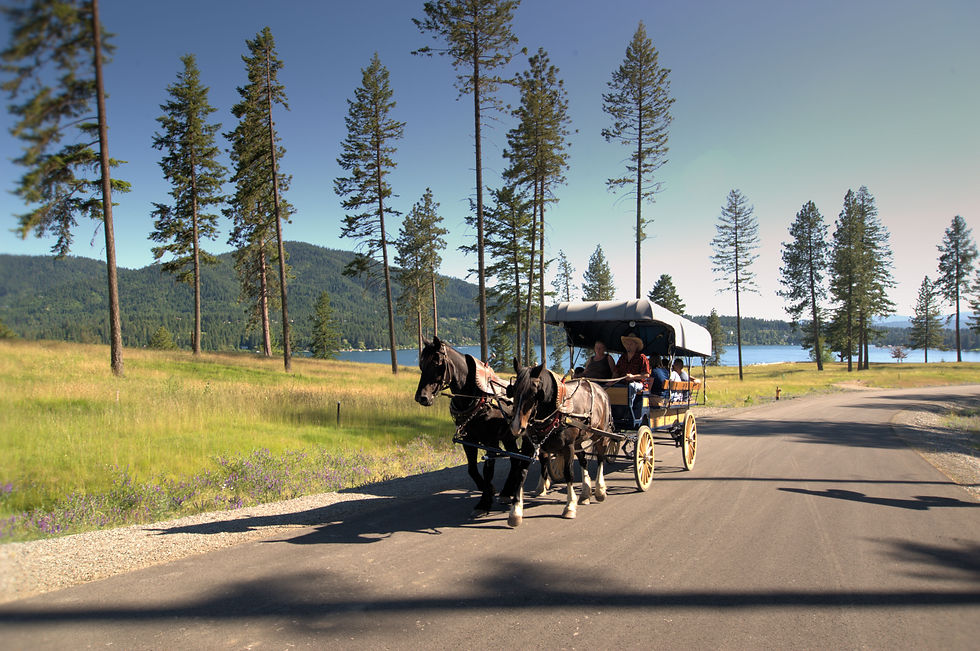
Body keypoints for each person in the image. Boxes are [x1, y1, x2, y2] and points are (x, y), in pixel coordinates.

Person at [616, 333, 650, 422]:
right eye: (627, 344)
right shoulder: (622, 357)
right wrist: (612, 381)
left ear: (636, 345)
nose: (628, 346)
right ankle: (615, 412)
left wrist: (633, 377)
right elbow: (616, 371)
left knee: (631, 386)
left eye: (630, 344)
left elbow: (646, 375)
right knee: (612, 388)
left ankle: (629, 411)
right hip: (623, 383)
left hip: (639, 384)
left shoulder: (642, 358)